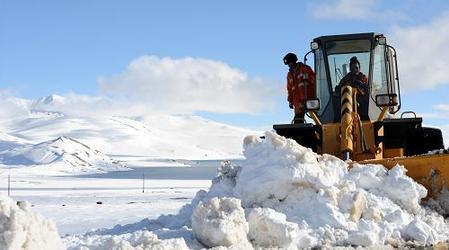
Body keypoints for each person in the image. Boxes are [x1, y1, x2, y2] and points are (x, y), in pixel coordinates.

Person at [283, 52, 316, 124]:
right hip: (298, 103)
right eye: (288, 64)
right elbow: (289, 89)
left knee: (320, 118)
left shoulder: (305, 69)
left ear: (294, 61)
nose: (289, 66)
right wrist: (290, 101)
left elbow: (315, 82)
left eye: (290, 63)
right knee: (298, 122)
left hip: (310, 100)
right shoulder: (289, 75)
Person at [335, 56, 370, 120]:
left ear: (359, 68)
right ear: (350, 69)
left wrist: (361, 85)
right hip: (347, 106)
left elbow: (369, 91)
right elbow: (339, 89)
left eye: (356, 68)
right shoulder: (345, 79)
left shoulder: (364, 78)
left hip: (363, 106)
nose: (355, 70)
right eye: (353, 68)